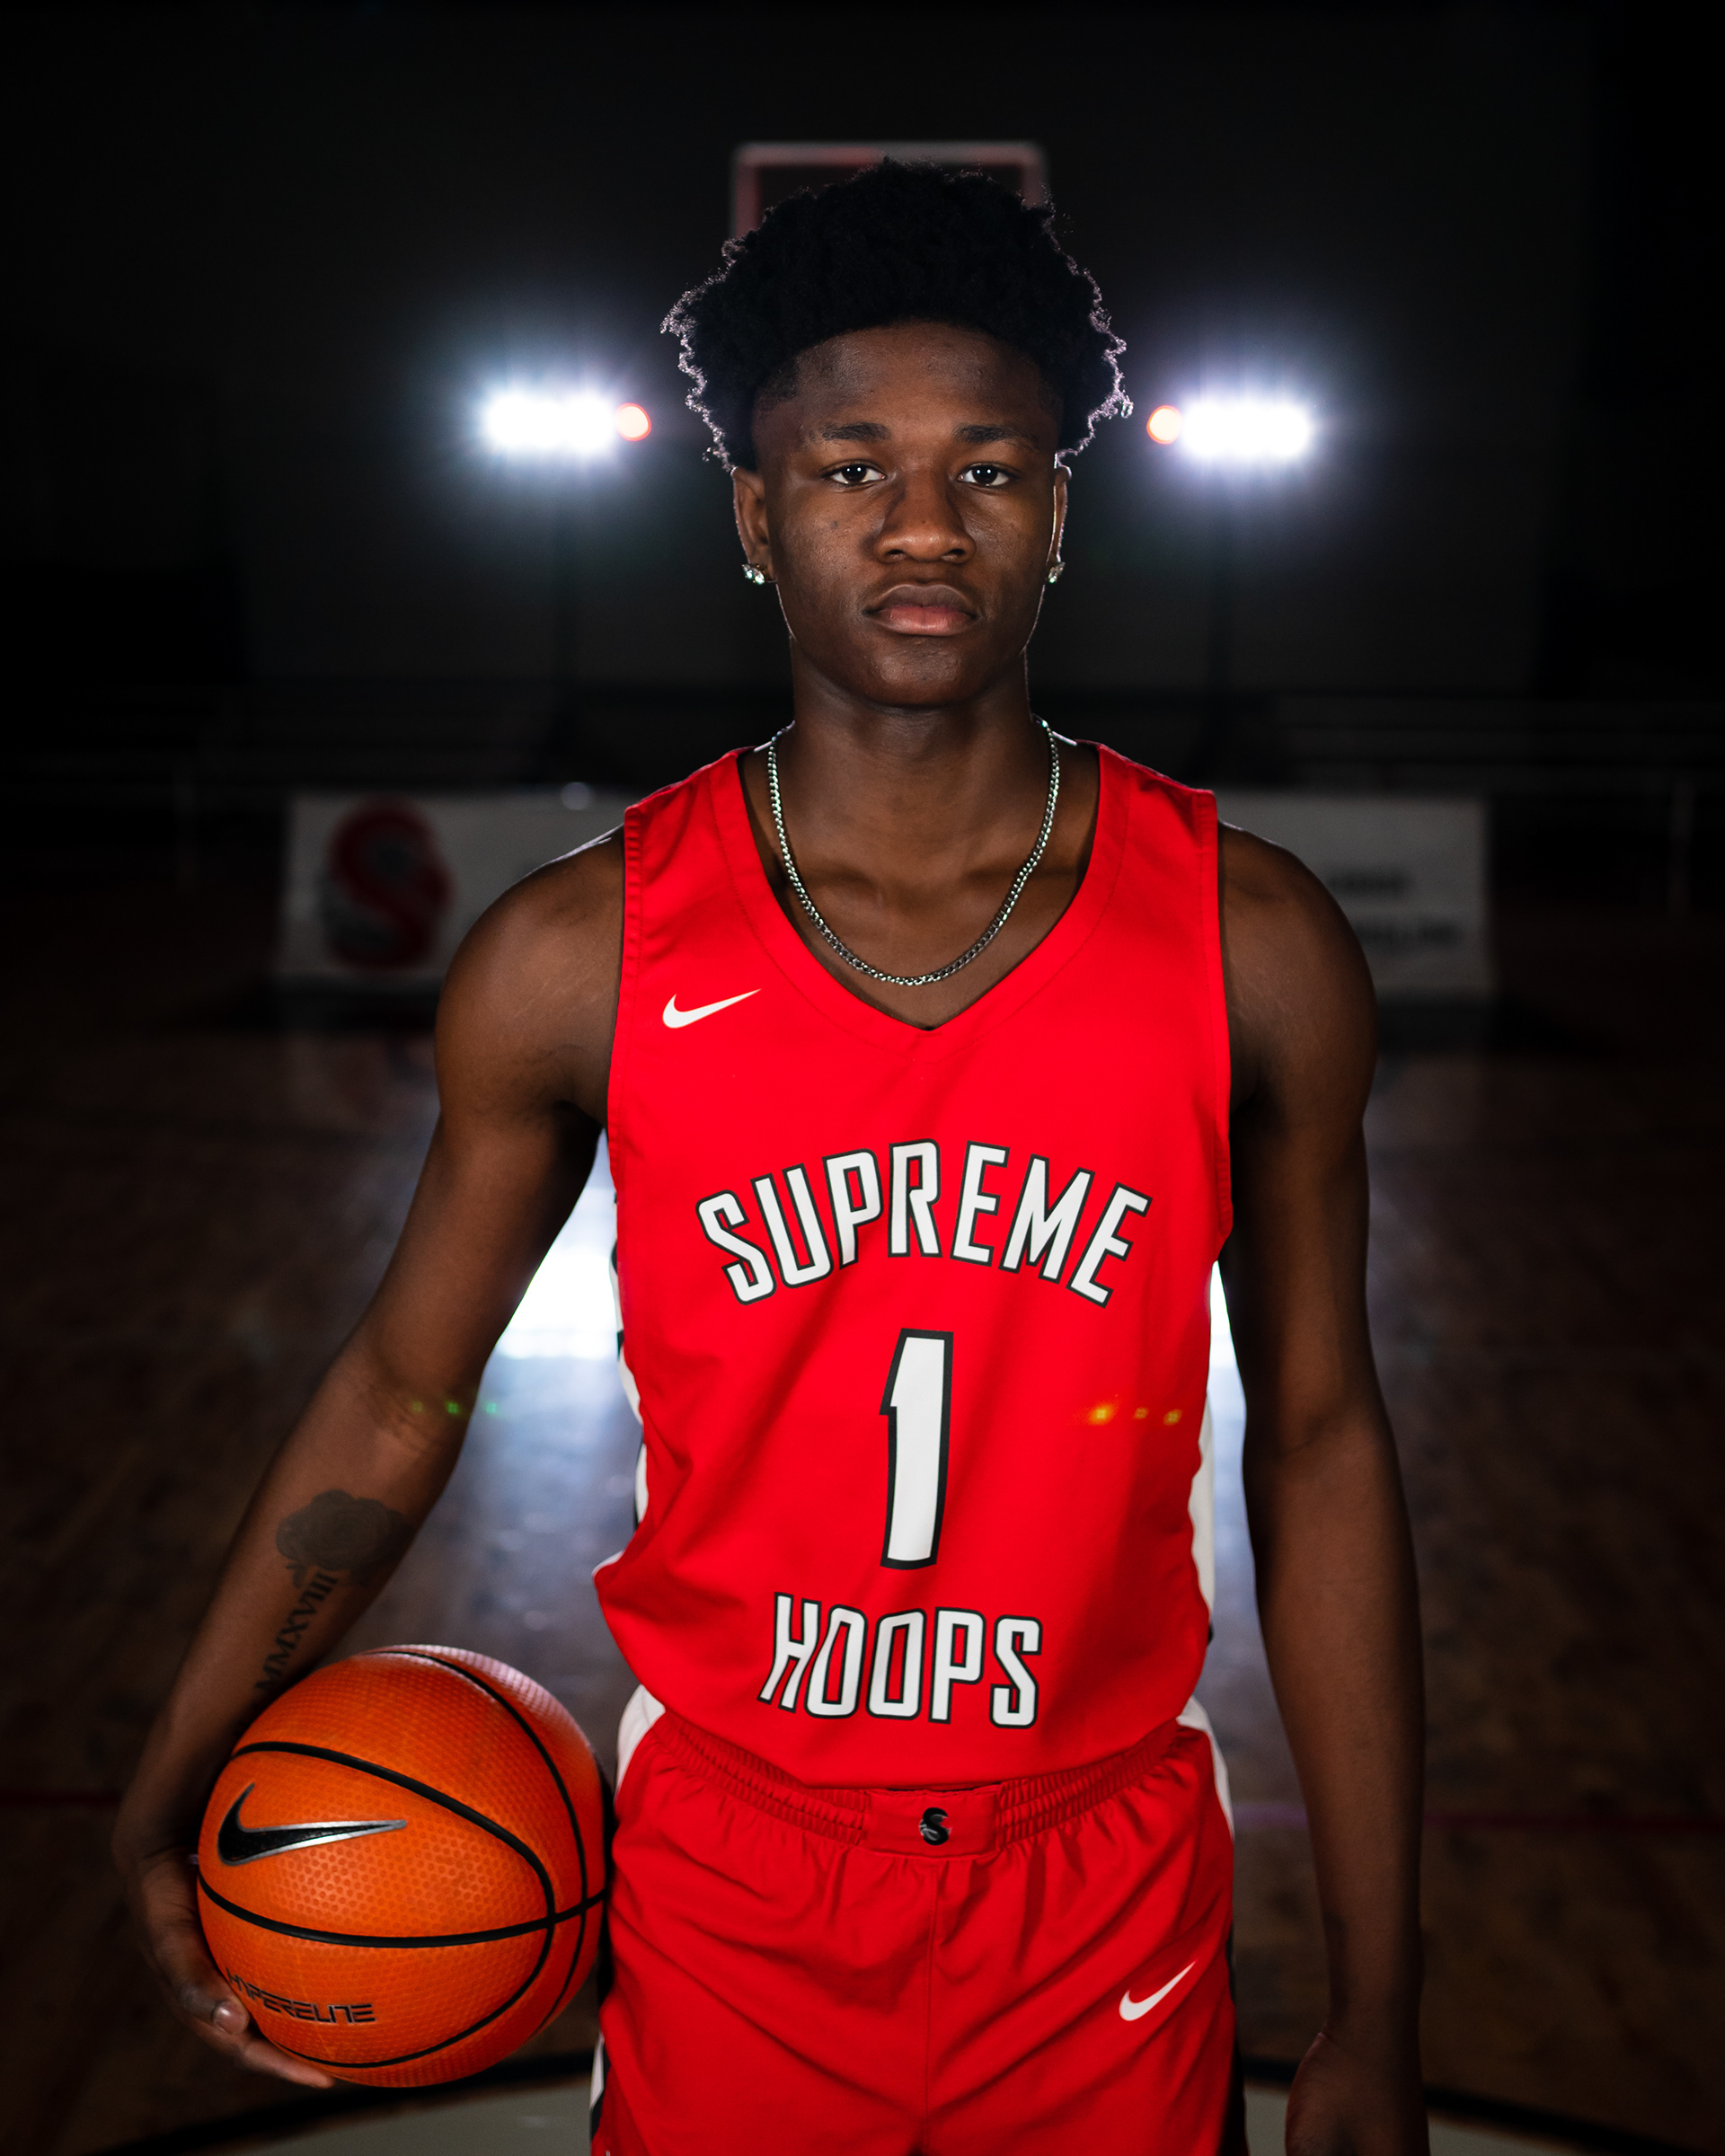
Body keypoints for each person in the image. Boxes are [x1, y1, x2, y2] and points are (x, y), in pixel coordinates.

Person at [114, 163, 1428, 2155]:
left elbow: (1319, 1441)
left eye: (989, 470)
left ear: (1060, 509)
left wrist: (1381, 2003)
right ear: (753, 512)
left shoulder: (1251, 942)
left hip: (1105, 1886)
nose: (923, 523)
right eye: (850, 468)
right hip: (727, 1881)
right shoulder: (580, 954)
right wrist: (176, 1768)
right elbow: (400, 1387)